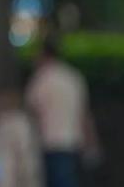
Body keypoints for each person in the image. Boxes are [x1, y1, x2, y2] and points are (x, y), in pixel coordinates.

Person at [25, 37, 100, 187]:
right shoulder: (73, 77)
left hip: (48, 142)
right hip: (71, 141)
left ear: (44, 54)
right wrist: (91, 142)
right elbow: (84, 113)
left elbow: (31, 112)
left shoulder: (41, 79)